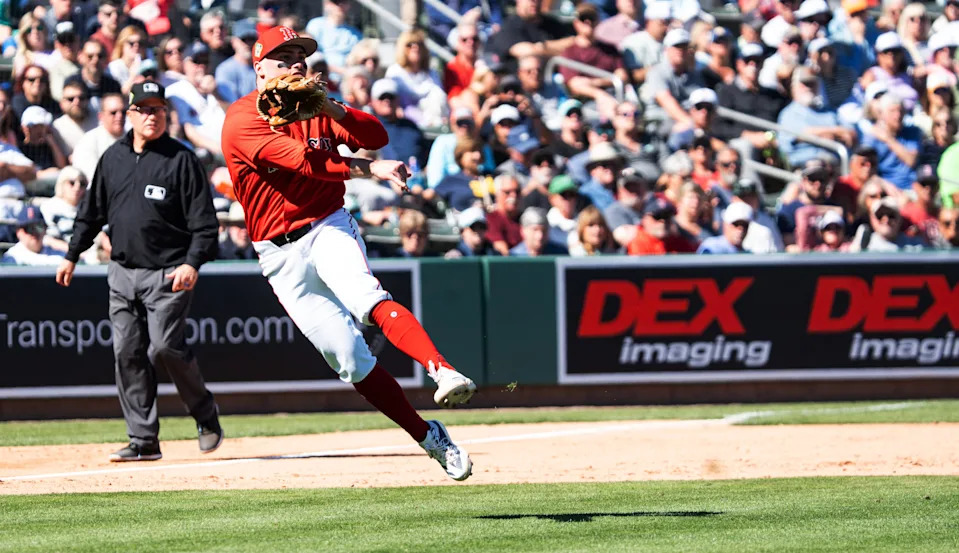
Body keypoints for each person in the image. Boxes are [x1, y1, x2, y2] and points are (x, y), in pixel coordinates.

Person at [219, 26, 476, 480]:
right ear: (259, 67)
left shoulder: (318, 105)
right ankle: (426, 434)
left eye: (301, 54)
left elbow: (375, 133)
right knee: (348, 358)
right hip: (277, 254)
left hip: (326, 225)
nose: (296, 62)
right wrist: (369, 169)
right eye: (284, 56)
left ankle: (442, 370)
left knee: (364, 296)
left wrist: (334, 107)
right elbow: (303, 162)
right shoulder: (242, 119)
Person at [55, 82, 224, 462]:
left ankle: (205, 413)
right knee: (127, 351)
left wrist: (191, 263)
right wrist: (71, 254)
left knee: (164, 346)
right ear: (129, 115)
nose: (152, 116)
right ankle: (143, 440)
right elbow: (91, 212)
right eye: (144, 110)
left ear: (166, 114)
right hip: (122, 272)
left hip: (168, 273)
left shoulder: (181, 160)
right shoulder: (113, 158)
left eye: (158, 109)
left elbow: (206, 224)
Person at [72, 92, 126, 180]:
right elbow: (91, 178)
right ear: (101, 116)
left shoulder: (134, 139)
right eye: (113, 112)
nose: (119, 116)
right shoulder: (88, 142)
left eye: (123, 112)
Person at [626, 193, 697, 255]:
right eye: (657, 216)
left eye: (666, 216)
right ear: (644, 218)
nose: (663, 221)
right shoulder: (638, 243)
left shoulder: (680, 243)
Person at [40, 165, 87, 252]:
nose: (77, 187)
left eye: (82, 184)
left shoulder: (88, 208)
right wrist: (74, 253)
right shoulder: (49, 207)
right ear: (62, 184)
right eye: (72, 182)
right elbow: (48, 239)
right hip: (58, 255)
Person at [1, 205, 66, 265]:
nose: (34, 233)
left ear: (45, 229)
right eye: (28, 229)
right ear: (18, 232)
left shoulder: (59, 256)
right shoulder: (11, 259)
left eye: (38, 227)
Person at [215, 19, 258, 104]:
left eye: (251, 39)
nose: (248, 43)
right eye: (244, 39)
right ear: (233, 42)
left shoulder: (262, 67)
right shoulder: (225, 70)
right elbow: (230, 105)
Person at [486, 174, 523, 255]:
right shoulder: (491, 220)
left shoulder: (525, 218)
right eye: (507, 192)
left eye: (517, 191)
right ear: (497, 194)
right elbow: (503, 252)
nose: (514, 196)